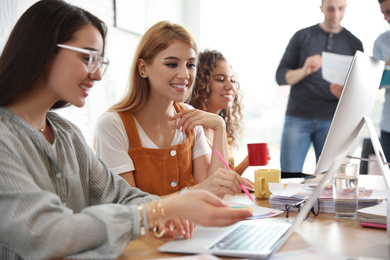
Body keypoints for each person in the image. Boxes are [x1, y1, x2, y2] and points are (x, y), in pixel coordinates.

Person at [0, 1, 253, 259]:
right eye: (88, 58)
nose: (97, 74)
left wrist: (167, 208)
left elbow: (121, 196)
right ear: (42, 51)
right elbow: (47, 233)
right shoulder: (4, 137)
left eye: (100, 61)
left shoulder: (67, 134)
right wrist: (161, 210)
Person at [94, 21, 254, 197]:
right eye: (172, 64)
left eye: (191, 65)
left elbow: (216, 193)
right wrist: (200, 190)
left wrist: (219, 125)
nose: (185, 75)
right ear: (143, 68)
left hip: (192, 225)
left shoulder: (189, 117)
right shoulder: (113, 125)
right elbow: (129, 207)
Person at [275, 0, 363, 173]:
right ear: (321, 8)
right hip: (298, 116)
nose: (336, 14)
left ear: (346, 8)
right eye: (330, 9)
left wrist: (344, 94)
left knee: (329, 181)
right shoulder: (302, 36)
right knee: (289, 177)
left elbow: (358, 92)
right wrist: (304, 70)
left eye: (340, 9)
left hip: (332, 121)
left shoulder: (355, 44)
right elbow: (280, 77)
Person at [188, 49, 264, 176]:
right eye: (221, 79)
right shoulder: (191, 128)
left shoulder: (221, 128)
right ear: (201, 84)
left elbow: (224, 179)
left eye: (232, 80)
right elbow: (210, 183)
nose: (231, 87)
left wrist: (246, 162)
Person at [373, 0, 390, 161]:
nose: (387, 18)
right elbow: (374, 83)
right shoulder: (381, 42)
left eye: (389, 12)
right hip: (388, 126)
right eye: (384, 13)